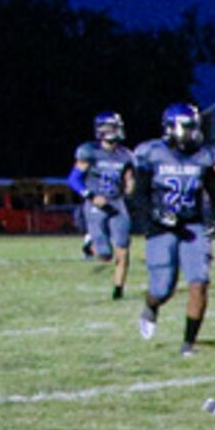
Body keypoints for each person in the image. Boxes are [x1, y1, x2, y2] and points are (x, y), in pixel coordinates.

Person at [131, 103, 215, 357]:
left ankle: (188, 344)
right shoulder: (152, 153)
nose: (194, 133)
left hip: (193, 224)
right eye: (189, 127)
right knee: (163, 288)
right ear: (171, 128)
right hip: (161, 227)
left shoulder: (205, 155)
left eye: (195, 127)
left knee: (200, 282)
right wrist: (155, 214)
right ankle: (151, 306)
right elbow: (138, 194)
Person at [69, 112, 136, 301]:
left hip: (116, 202)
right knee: (105, 254)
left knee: (123, 247)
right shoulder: (90, 151)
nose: (116, 131)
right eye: (112, 127)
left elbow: (129, 179)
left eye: (117, 127)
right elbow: (73, 179)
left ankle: (118, 290)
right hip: (95, 203)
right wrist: (90, 195)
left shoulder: (125, 155)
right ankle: (90, 246)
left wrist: (131, 189)